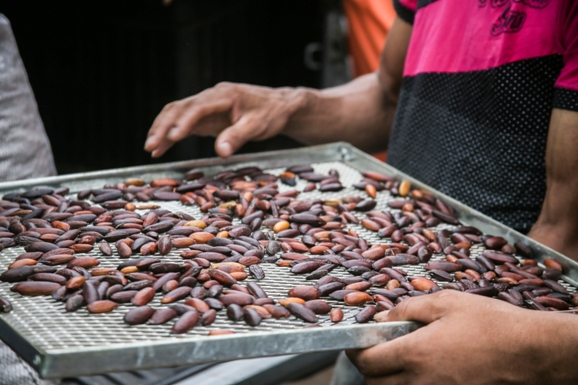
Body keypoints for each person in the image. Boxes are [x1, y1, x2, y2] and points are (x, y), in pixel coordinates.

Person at [145, 0, 578, 383]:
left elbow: (560, 237)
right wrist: (290, 103)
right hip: (388, 297)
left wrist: (528, 351)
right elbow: (389, 98)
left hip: (500, 339)